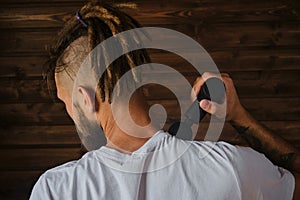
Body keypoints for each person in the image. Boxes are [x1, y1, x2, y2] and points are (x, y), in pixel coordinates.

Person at [30, 0, 299, 199]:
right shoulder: (231, 168)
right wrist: (239, 116)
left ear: (84, 99)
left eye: (65, 102)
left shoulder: (55, 190)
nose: (69, 113)